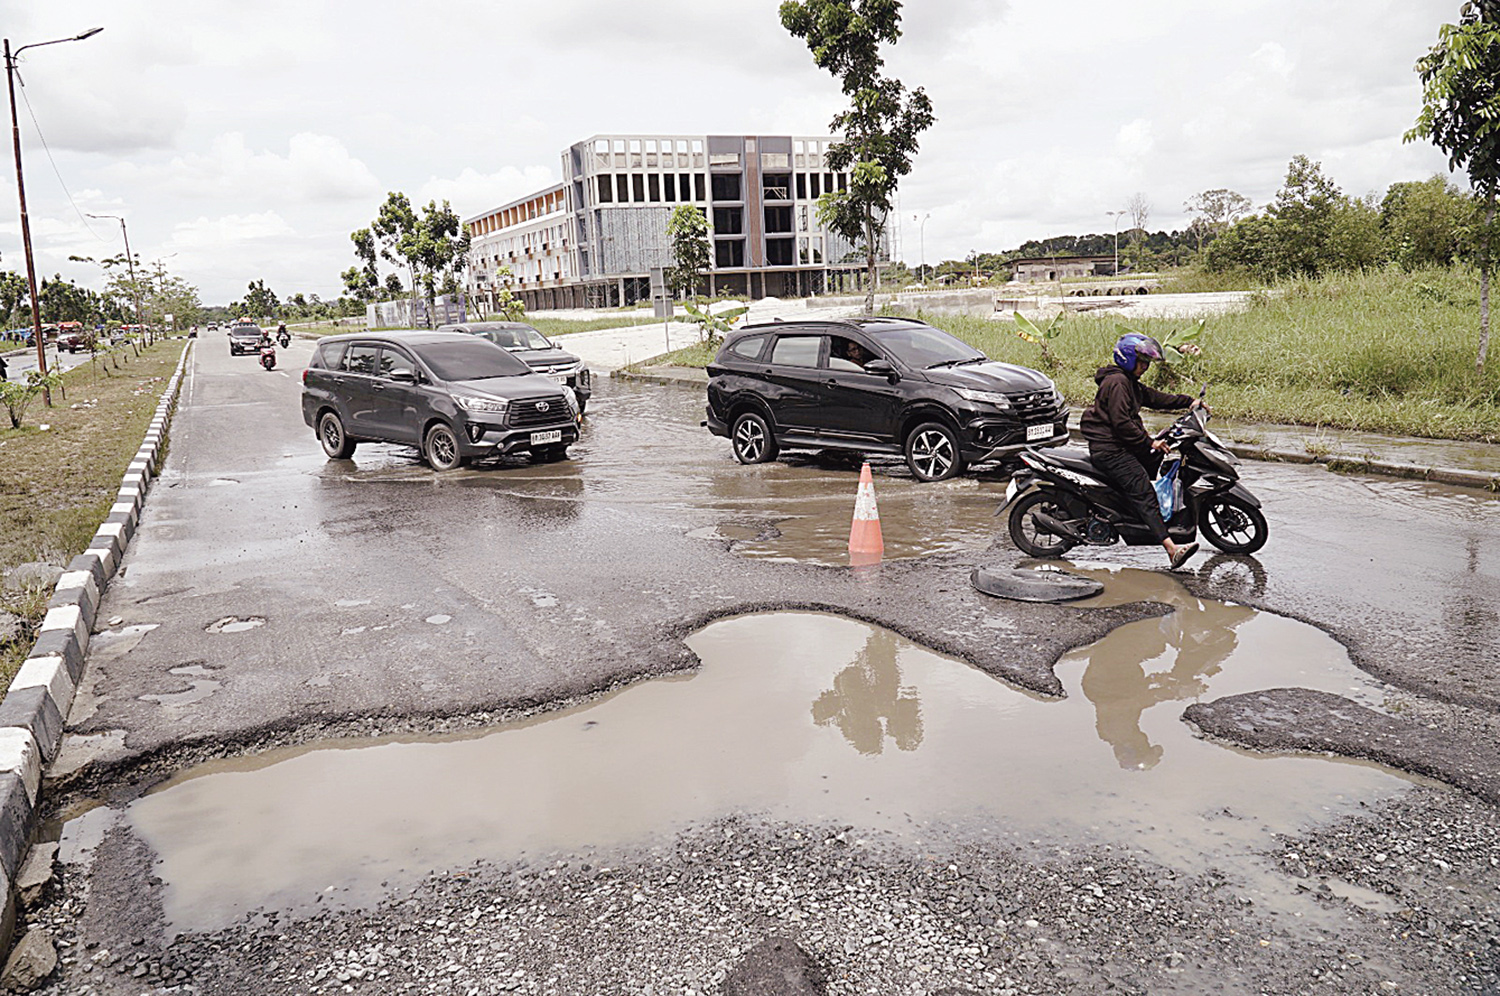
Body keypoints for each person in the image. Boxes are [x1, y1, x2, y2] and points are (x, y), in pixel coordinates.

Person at [1079, 333, 1206, 570]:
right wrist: (1149, 441)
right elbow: (1121, 423)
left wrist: (1188, 402)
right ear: (1127, 359)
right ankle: (1172, 549)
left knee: (1158, 459)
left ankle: (1136, 513)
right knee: (1143, 491)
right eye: (1142, 362)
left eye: (1147, 362)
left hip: (1120, 445)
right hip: (1110, 450)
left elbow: (1154, 398)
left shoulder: (1128, 382)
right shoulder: (1117, 383)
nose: (1145, 367)